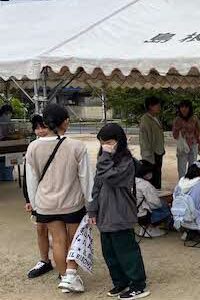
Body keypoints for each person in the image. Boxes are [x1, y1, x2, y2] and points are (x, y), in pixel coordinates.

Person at [25, 104, 93, 293]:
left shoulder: (33, 147)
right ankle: (70, 276)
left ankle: (65, 278)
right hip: (72, 203)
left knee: (58, 241)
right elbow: (86, 178)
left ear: (45, 123)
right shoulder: (77, 146)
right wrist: (91, 202)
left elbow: (31, 180)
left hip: (46, 204)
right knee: (74, 240)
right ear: (65, 122)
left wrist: (36, 205)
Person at [88, 123, 150, 299]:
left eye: (108, 142)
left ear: (118, 141)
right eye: (102, 143)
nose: (105, 146)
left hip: (121, 212)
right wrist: (92, 210)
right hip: (104, 214)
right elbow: (97, 185)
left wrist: (105, 155)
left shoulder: (127, 161)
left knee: (127, 251)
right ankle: (120, 282)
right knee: (110, 252)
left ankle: (138, 284)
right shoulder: (104, 160)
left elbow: (112, 177)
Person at [23, 115, 53, 279]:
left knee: (58, 231)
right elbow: (28, 177)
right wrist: (28, 199)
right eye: (37, 127)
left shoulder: (60, 145)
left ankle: (65, 264)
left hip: (55, 197)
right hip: (38, 198)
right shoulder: (32, 147)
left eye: (44, 127)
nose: (40, 131)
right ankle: (44, 260)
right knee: (40, 229)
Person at [135, 161, 170, 238]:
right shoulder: (146, 185)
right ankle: (151, 227)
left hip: (133, 213)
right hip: (144, 216)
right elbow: (155, 204)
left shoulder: (132, 181)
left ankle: (144, 228)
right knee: (166, 206)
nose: (151, 174)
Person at [139, 96, 165, 189]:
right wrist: (148, 155)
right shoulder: (145, 119)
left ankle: (158, 194)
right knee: (151, 177)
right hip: (150, 154)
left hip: (158, 151)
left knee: (157, 175)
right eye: (157, 105)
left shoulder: (156, 118)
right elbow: (145, 139)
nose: (159, 107)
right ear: (150, 106)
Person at [172, 100, 200, 179]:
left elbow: (198, 132)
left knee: (193, 167)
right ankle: (182, 185)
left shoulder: (194, 118)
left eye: (186, 107)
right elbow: (174, 135)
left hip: (193, 145)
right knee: (181, 168)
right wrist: (178, 129)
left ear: (189, 108)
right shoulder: (177, 120)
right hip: (183, 146)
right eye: (182, 107)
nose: (184, 109)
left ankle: (191, 185)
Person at [0, 104, 15, 181]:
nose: (10, 115)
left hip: (5, 149)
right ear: (7, 112)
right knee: (7, 170)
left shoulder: (6, 121)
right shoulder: (5, 121)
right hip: (6, 148)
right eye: (10, 113)